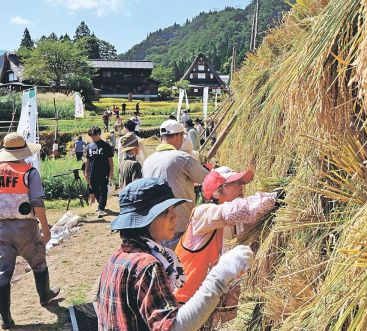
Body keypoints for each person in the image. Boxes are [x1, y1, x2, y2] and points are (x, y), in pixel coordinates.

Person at [96, 177, 254, 331]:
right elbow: (174, 327)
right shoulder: (147, 266)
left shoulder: (119, 256)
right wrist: (220, 276)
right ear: (144, 220)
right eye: (165, 212)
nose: (175, 216)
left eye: (173, 209)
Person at [174, 167, 278, 308]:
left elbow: (254, 216)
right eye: (235, 183)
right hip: (186, 301)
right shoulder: (202, 214)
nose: (241, 187)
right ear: (217, 192)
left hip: (213, 303)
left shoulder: (236, 223)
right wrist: (273, 197)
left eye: (241, 183)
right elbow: (240, 210)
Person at [0, 133, 60, 329]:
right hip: (25, 226)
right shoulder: (29, 172)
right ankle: (45, 296)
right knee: (37, 260)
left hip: (1, 227)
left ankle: (6, 319)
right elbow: (37, 203)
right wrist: (45, 227)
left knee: (2, 273)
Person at [142, 119, 209, 249]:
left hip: (154, 228)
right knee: (181, 266)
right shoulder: (181, 157)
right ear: (178, 136)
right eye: (183, 136)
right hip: (178, 226)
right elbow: (207, 179)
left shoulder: (148, 161)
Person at [84, 126, 114, 218]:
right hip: (93, 172)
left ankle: (101, 207)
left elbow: (110, 159)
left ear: (99, 134)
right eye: (92, 136)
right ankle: (100, 204)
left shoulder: (106, 145)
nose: (93, 137)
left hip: (104, 171)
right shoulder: (89, 146)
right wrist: (86, 172)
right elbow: (88, 160)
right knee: (94, 189)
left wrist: (111, 171)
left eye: (95, 135)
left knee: (103, 190)